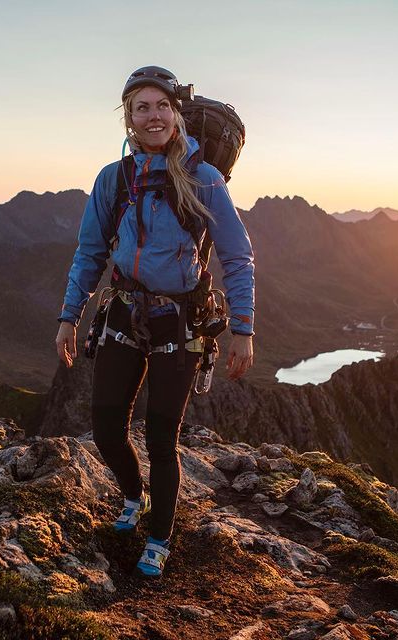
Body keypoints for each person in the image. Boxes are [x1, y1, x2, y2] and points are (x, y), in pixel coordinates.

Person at [55, 66, 255, 578]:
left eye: (162, 106)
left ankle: (160, 536)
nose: (153, 116)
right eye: (141, 107)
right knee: (105, 427)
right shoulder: (113, 179)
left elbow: (236, 256)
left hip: (179, 322)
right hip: (123, 310)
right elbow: (89, 253)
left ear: (177, 114)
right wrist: (68, 317)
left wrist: (243, 328)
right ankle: (132, 494)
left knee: (163, 439)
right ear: (128, 118)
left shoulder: (203, 181)